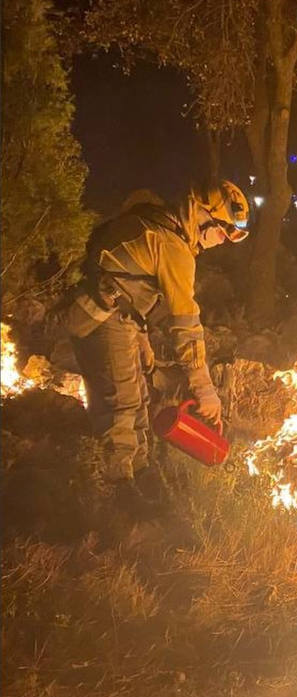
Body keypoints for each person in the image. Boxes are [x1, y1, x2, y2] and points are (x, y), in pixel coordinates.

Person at [53, 179, 251, 503]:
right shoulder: (172, 246)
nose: (221, 241)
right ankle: (118, 494)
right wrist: (204, 389)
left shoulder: (157, 224)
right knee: (121, 404)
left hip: (117, 316)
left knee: (139, 399)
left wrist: (142, 336)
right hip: (105, 319)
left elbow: (129, 280)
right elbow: (186, 326)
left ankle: (141, 472)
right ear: (200, 214)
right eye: (220, 231)